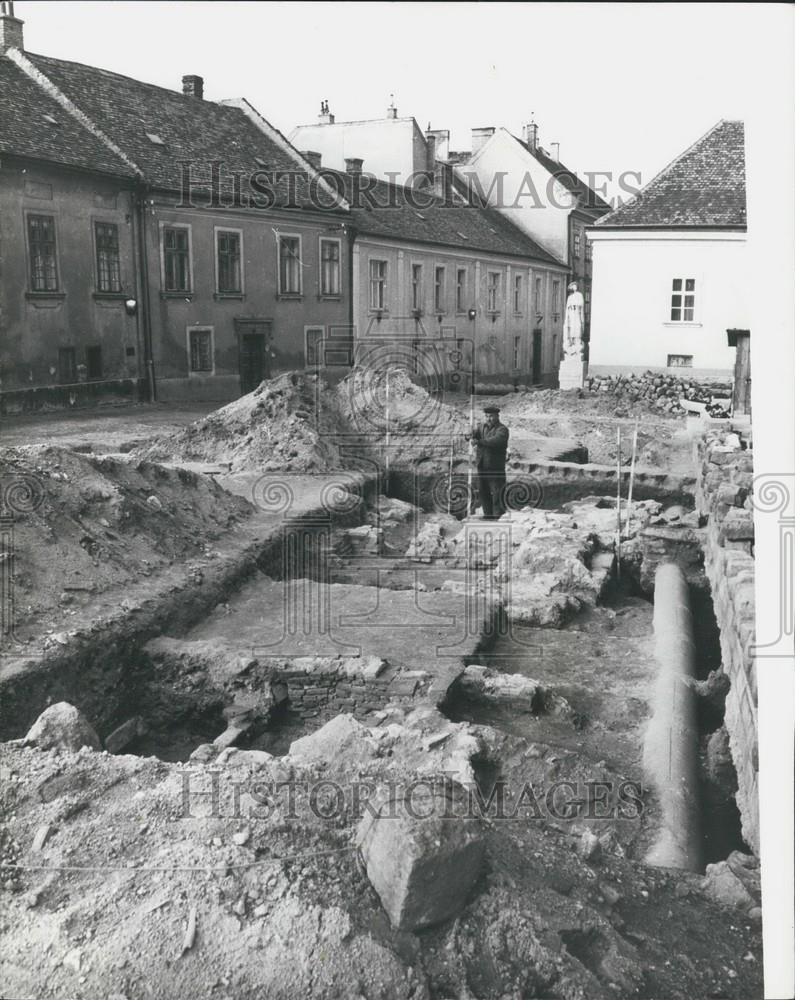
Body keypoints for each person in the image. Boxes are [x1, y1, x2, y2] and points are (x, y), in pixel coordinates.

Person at [468, 404, 509, 520]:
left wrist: (479, 442)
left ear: (497, 416)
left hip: (495, 466)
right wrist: (469, 435)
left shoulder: (502, 429)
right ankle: (488, 515)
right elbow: (473, 435)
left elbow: (495, 441)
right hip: (482, 465)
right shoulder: (482, 427)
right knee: (483, 491)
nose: (488, 419)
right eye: (486, 416)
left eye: (491, 416)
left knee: (497, 492)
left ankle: (498, 515)